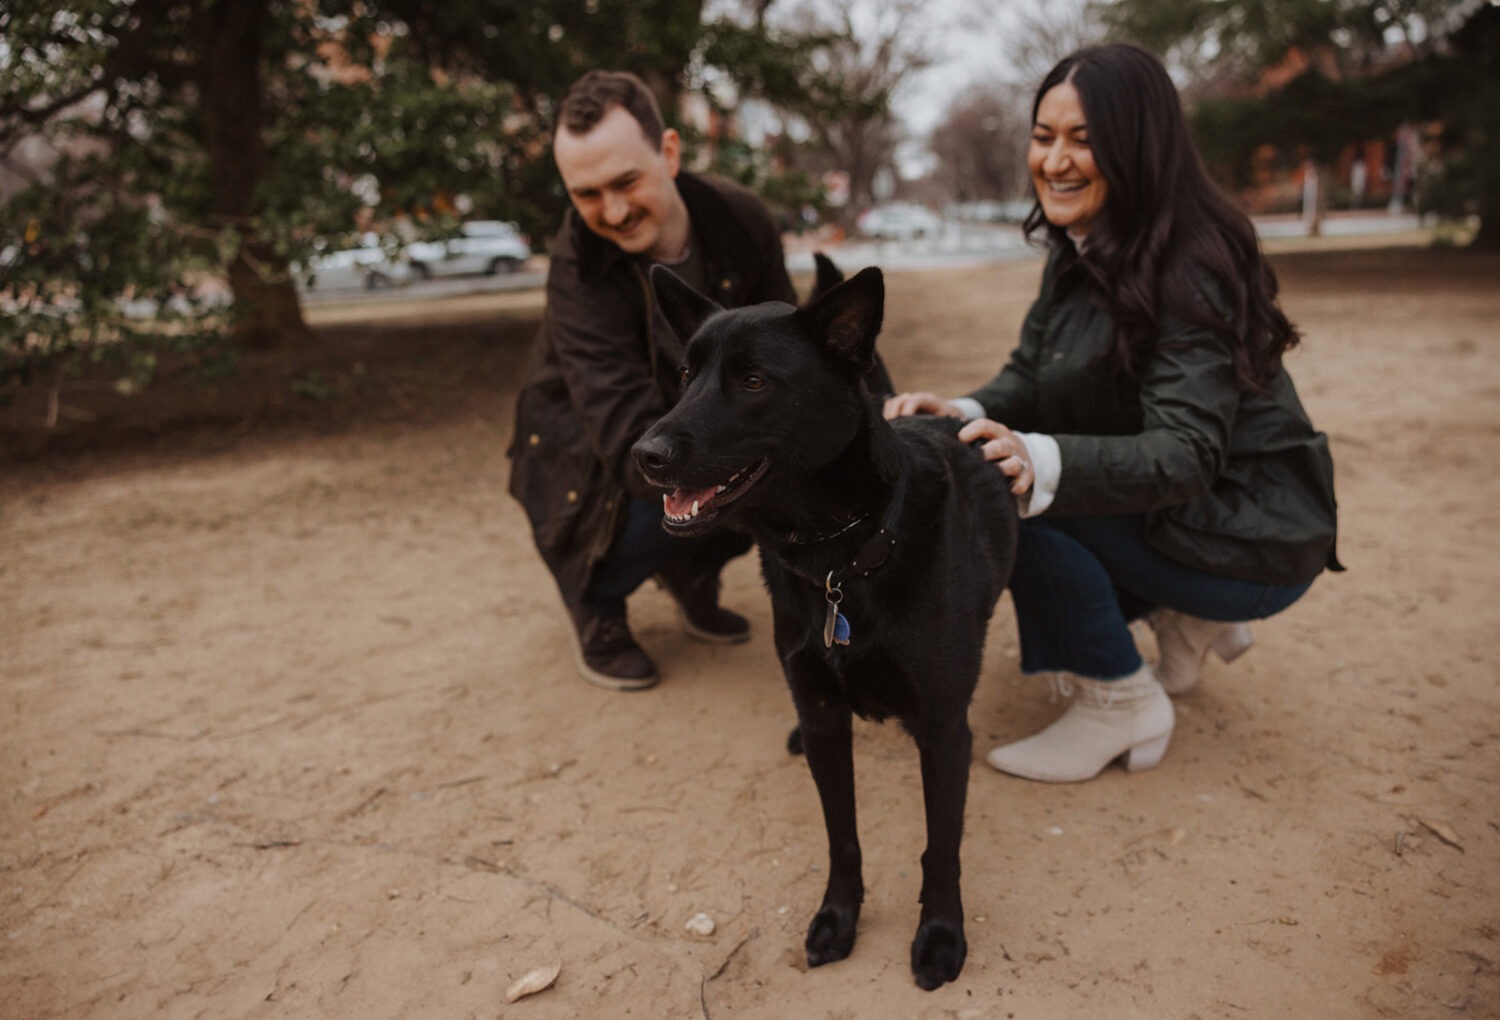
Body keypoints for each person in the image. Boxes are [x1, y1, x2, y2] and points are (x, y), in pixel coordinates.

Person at [884, 43, 1342, 783]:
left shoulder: (1192, 262)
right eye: (1044, 136)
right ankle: (1188, 624)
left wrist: (1034, 460)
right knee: (994, 452)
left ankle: (1119, 699)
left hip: (1258, 536)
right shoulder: (1080, 246)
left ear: (1138, 145)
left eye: (1084, 139)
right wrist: (962, 408)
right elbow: (1034, 374)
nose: (1055, 160)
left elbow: (1188, 452)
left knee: (997, 488)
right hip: (1200, 517)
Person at [507, 70, 797, 691]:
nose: (611, 211)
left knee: (767, 475)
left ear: (668, 152)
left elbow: (797, 352)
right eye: (586, 194)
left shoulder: (740, 220)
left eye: (626, 181)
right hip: (581, 445)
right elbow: (620, 431)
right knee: (651, 505)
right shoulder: (578, 267)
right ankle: (597, 603)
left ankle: (691, 572)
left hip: (689, 417)